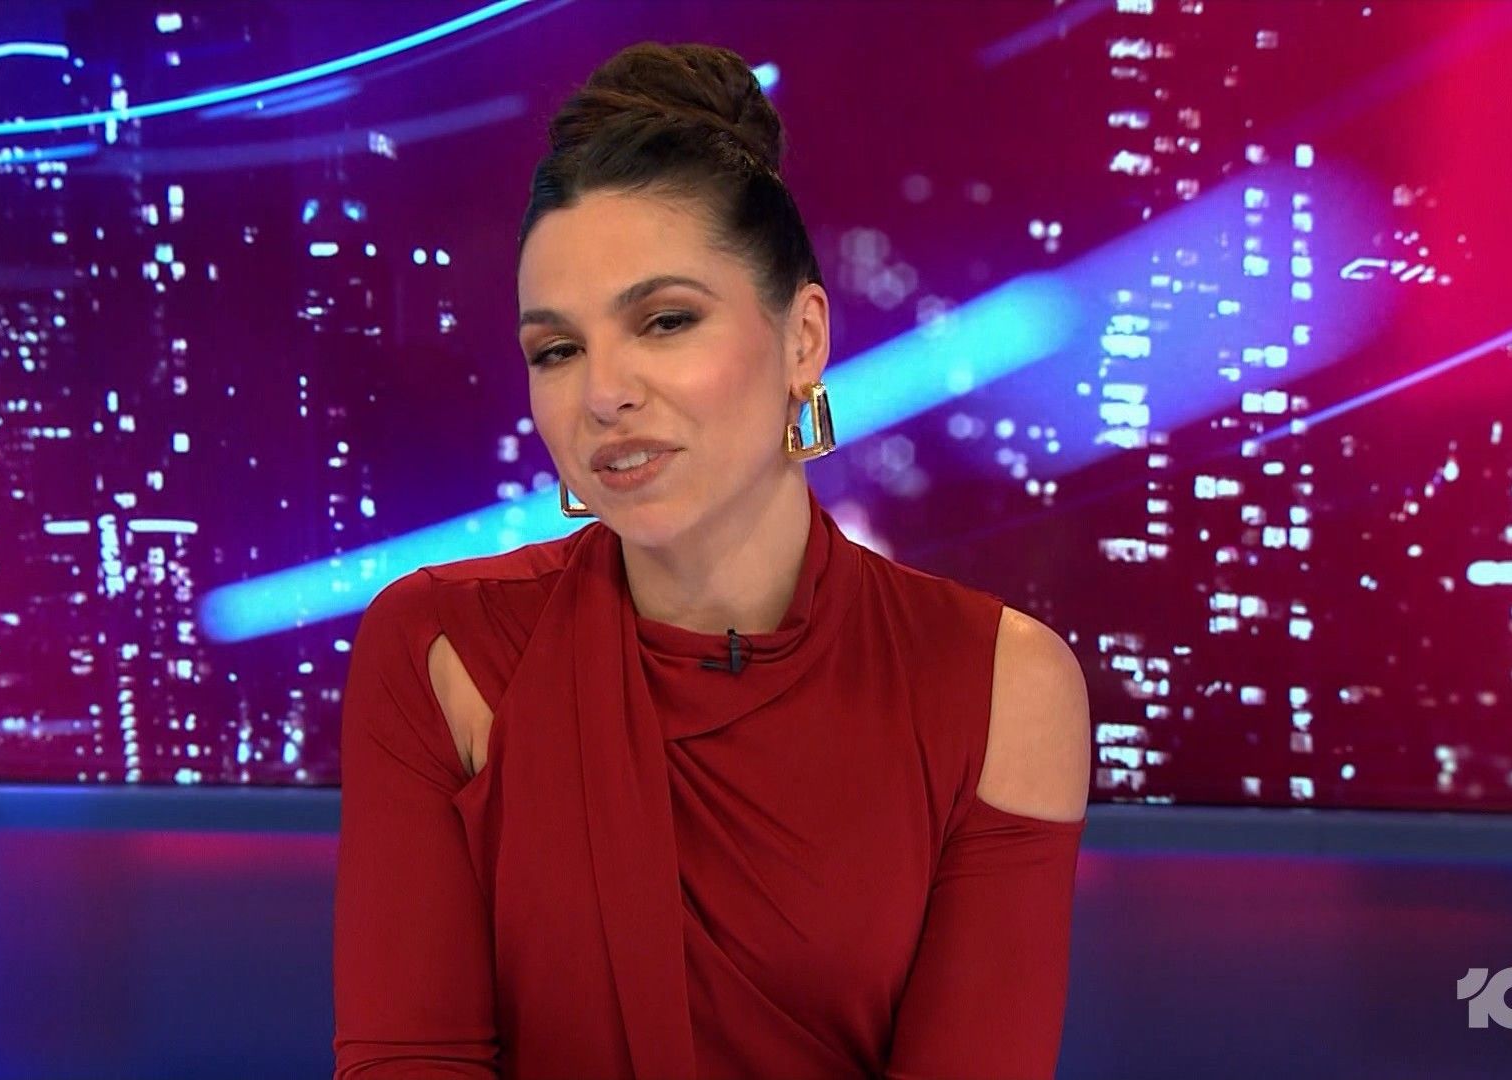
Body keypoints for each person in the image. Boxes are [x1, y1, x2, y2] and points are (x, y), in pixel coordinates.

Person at [333, 41, 1091, 1080]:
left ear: (803, 339)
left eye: (666, 321)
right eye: (557, 350)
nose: (603, 392)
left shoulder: (1001, 688)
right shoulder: (440, 652)